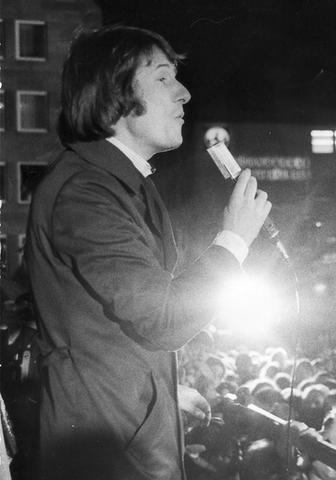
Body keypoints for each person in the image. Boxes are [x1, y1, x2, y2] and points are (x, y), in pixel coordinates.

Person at [25, 25, 271, 480]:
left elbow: (107, 333)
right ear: (114, 94)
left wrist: (163, 392)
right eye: (162, 78)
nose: (184, 93)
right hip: (107, 457)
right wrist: (233, 240)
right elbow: (163, 317)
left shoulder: (121, 183)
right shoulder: (88, 193)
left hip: (120, 439)